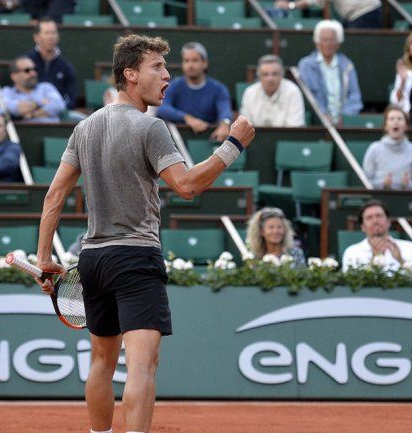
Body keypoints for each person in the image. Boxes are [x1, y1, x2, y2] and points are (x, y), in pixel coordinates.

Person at [33, 34, 255, 433]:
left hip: (93, 260)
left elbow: (53, 197)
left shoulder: (83, 127)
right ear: (130, 75)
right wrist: (233, 145)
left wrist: (44, 257)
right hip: (135, 258)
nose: (168, 76)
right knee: (141, 364)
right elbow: (186, 187)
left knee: (101, 362)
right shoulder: (150, 127)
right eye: (158, 68)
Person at [157, 42, 233, 142]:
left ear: (204, 63)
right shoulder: (173, 86)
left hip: (209, 140)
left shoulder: (218, 89)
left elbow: (225, 110)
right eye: (186, 61)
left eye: (195, 60)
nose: (190, 65)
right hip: (178, 141)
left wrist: (225, 124)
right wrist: (187, 118)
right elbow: (162, 108)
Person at [297, 20, 362, 124]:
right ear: (317, 42)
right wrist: (322, 115)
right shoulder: (306, 65)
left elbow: (355, 96)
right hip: (317, 123)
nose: (328, 44)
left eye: (332, 40)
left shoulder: (347, 65)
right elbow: (307, 97)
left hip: (344, 123)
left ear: (338, 43)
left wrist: (346, 116)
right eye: (324, 40)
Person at [342, 200, 412, 272]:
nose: (375, 221)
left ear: (389, 222)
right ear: (363, 227)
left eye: (379, 216)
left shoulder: (410, 248)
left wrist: (401, 260)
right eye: (369, 218)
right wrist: (375, 258)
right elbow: (352, 285)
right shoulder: (352, 252)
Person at [362, 106, 412, 191]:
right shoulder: (374, 149)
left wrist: (408, 185)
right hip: (379, 198)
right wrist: (383, 184)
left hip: (406, 199)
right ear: (385, 126)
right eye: (391, 119)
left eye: (399, 118)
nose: (396, 122)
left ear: (406, 126)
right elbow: (365, 182)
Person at [25, 17, 79, 113]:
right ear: (36, 37)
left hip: (59, 113)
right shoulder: (26, 62)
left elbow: (72, 97)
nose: (51, 37)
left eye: (53, 33)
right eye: (46, 33)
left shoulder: (65, 66)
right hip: (31, 111)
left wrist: (59, 108)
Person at [239, 54, 305, 127]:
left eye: (274, 74)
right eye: (265, 74)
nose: (270, 79)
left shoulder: (293, 91)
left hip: (285, 137)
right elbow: (245, 127)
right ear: (259, 76)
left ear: (281, 75)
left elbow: (295, 127)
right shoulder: (250, 92)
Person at [1, 55, 66, 122]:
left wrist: (32, 115)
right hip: (24, 131)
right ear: (14, 76)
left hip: (52, 130)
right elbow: (12, 109)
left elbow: (59, 105)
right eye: (27, 70)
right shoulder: (7, 92)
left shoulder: (46, 87)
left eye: (34, 69)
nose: (33, 73)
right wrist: (39, 102)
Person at [273, 0, 382, 28]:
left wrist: (291, 5)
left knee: (359, 49)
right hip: (357, 16)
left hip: (364, 14)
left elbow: (316, 1)